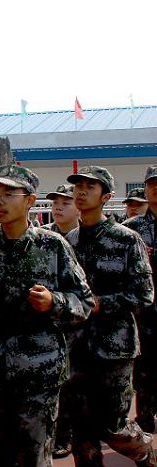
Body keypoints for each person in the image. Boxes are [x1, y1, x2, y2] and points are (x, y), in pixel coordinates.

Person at [0, 164, 93, 466]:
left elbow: (84, 302)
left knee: (32, 457)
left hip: (37, 376)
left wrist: (54, 301)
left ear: (30, 200)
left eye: (9, 194)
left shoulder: (52, 246)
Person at [65, 165, 156, 467]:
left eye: (90, 187)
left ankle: (143, 450)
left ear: (107, 196)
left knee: (113, 423)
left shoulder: (128, 239)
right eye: (78, 185)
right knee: (81, 426)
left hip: (114, 346)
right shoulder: (67, 242)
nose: (81, 191)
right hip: (76, 346)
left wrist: (102, 304)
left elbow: (144, 294)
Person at [41, 182, 82, 459]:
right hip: (53, 326)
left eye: (65, 202)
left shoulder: (84, 238)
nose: (58, 207)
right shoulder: (44, 238)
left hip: (83, 325)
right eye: (55, 202)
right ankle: (60, 435)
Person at [124, 166, 157, 435]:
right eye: (152, 183)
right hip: (144, 312)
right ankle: (145, 418)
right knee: (144, 369)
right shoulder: (132, 229)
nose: (156, 187)